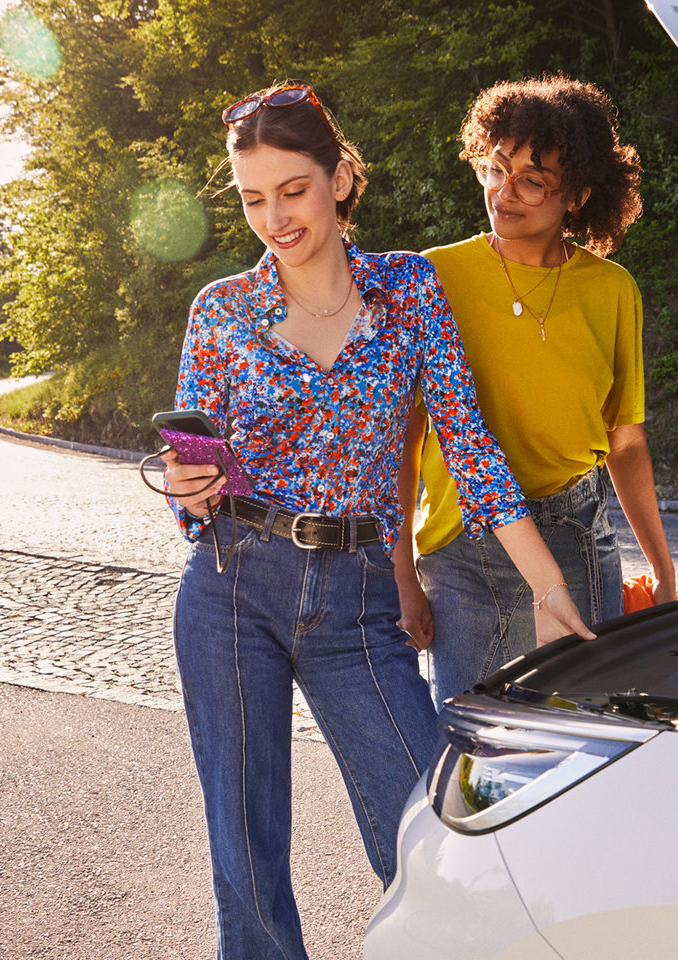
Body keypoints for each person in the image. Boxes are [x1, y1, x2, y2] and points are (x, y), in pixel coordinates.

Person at [159, 82, 592, 960]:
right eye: (252, 198)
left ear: (341, 178)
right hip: (233, 585)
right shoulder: (220, 311)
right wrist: (186, 488)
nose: (275, 219)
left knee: (431, 832)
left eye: (293, 190)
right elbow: (191, 492)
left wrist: (549, 587)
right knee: (245, 855)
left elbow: (470, 448)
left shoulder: (408, 289)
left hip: (358, 602)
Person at [405, 75, 677, 705]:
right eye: (496, 168)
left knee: (588, 737)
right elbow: (405, 436)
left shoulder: (613, 290)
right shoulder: (432, 276)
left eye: (532, 180)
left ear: (577, 194)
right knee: (471, 744)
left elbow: (625, 441)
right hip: (462, 548)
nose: (504, 193)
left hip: (580, 538)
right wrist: (401, 574)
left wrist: (662, 570)